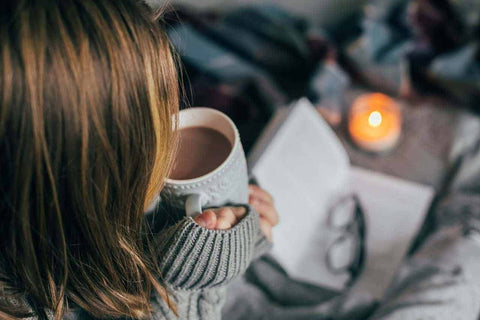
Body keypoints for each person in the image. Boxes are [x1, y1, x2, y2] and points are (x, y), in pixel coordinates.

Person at [0, 0, 278, 319]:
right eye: (147, 130)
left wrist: (234, 229)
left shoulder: (89, 206)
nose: (170, 137)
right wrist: (190, 288)